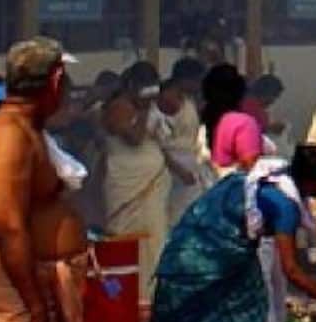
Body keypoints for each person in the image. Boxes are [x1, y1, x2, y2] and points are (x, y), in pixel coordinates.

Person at [145, 146, 316, 322]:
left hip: (197, 249)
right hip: (207, 260)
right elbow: (291, 269)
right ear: (311, 181)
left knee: (253, 297)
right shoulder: (284, 207)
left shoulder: (269, 179)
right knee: (243, 313)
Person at [0, 37, 90, 322]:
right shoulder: (9, 137)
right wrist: (36, 310)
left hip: (39, 286)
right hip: (20, 293)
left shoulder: (27, 130)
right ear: (55, 80)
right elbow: (9, 228)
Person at [101, 61, 174, 292]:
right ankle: (132, 294)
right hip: (127, 185)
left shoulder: (150, 108)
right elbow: (134, 138)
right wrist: (144, 109)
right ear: (132, 85)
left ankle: (151, 293)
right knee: (130, 241)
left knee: (155, 240)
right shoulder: (119, 106)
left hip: (153, 187)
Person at [158, 58, 209, 223]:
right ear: (186, 79)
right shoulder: (167, 99)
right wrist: (178, 169)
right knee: (176, 214)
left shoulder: (188, 99)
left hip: (189, 159)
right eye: (197, 81)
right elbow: (158, 142)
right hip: (173, 163)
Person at [204, 63, 266, 177]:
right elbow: (251, 166)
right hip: (237, 183)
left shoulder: (207, 115)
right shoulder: (243, 122)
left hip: (212, 180)